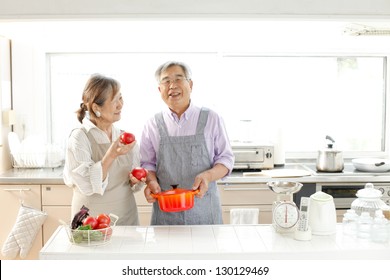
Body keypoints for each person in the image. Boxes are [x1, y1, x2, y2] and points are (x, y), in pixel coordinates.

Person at [140, 61, 234, 225]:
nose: (172, 86)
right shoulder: (152, 124)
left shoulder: (211, 118)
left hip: (204, 211)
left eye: (178, 79)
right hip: (165, 214)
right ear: (159, 89)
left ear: (190, 85)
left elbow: (226, 159)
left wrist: (207, 176)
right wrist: (151, 182)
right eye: (166, 81)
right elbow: (147, 164)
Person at [63, 73, 143, 225]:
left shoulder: (123, 136)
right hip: (91, 222)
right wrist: (111, 155)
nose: (120, 104)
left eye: (121, 98)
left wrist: (135, 180)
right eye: (114, 100)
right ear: (96, 107)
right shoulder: (79, 137)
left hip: (126, 217)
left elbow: (132, 180)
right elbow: (87, 183)